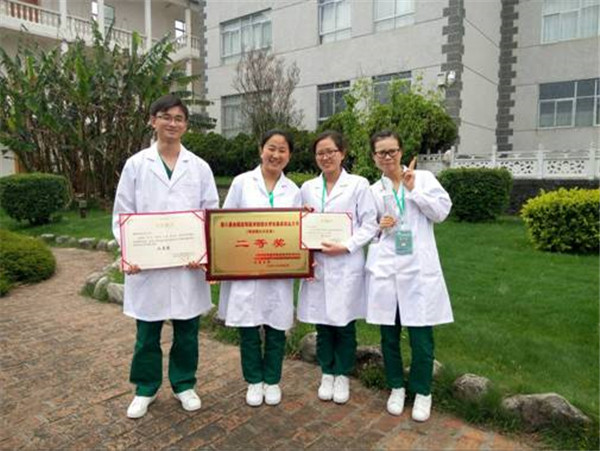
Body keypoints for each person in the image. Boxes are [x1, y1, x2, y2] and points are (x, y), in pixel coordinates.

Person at [112, 94, 219, 419]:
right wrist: (129, 251)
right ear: (153, 120)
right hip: (149, 266)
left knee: (187, 331)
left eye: (179, 118)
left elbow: (211, 213)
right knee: (147, 334)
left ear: (186, 125)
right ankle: (145, 388)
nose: (172, 123)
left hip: (187, 266)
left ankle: (184, 384)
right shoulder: (136, 165)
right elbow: (122, 213)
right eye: (165, 116)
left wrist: (203, 250)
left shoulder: (198, 167)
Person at [365, 130, 453, 422]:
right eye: (381, 152)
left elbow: (441, 212)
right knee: (389, 335)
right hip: (387, 270)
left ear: (401, 152)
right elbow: (367, 229)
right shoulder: (373, 190)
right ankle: (396, 387)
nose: (387, 157)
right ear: (374, 157)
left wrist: (414, 190)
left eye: (392, 151)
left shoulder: (423, 179)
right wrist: (379, 225)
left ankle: (423, 391)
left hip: (417, 270)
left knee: (421, 336)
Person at [218, 129, 300, 407]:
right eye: (271, 148)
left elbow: (298, 230)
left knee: (276, 325)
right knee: (249, 326)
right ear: (260, 149)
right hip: (247, 269)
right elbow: (224, 223)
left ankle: (272, 380)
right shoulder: (242, 183)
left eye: (282, 150)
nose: (276, 155)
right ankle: (254, 380)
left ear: (289, 155)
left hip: (279, 269)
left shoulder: (294, 190)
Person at [297, 130, 378, 404]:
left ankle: (342, 374)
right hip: (319, 264)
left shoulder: (358, 185)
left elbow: (370, 224)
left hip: (346, 263)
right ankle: (327, 372)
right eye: (320, 153)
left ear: (342, 153)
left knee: (344, 323)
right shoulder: (307, 188)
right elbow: (299, 225)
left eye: (331, 151)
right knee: (322, 323)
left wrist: (347, 245)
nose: (326, 157)